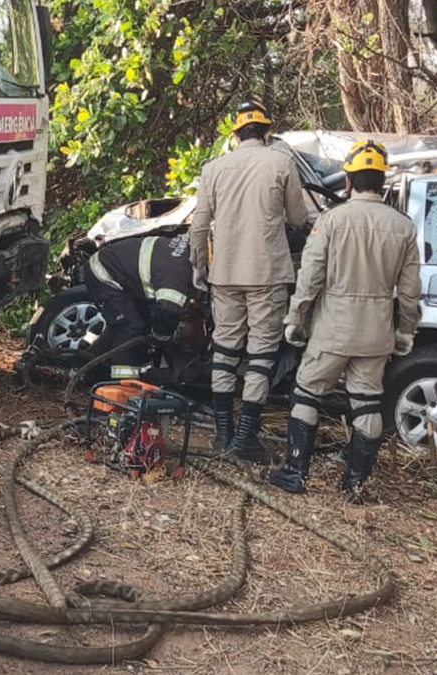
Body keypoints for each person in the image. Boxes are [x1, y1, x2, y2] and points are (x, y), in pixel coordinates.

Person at [270, 139, 422, 503]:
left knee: (307, 393)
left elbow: (310, 278)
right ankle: (354, 484)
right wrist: (405, 331)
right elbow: (410, 291)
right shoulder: (403, 227)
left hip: (333, 330)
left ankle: (295, 472)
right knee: (367, 402)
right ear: (382, 182)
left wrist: (296, 320)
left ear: (350, 181)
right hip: (376, 332)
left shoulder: (331, 221)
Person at [189, 101, 308, 462]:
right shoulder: (281, 163)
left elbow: (199, 224)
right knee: (261, 353)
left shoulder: (214, 168)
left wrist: (199, 265)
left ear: (236, 135)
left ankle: (223, 434)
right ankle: (245, 439)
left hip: (224, 273)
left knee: (225, 350)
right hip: (267, 274)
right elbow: (298, 218)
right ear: (267, 132)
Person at [84, 232, 196, 379]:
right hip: (104, 272)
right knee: (131, 326)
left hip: (119, 272)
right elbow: (167, 311)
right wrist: (160, 337)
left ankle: (85, 366)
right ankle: (122, 382)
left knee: (126, 323)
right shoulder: (178, 274)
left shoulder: (192, 247)